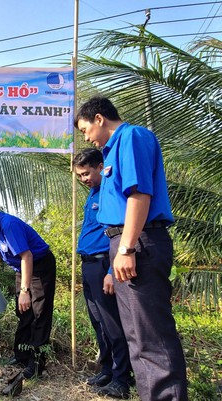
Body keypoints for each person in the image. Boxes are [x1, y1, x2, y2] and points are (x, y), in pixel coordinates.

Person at [75, 96, 188, 401]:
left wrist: (125, 249)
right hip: (124, 241)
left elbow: (139, 195)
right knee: (137, 335)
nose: (86, 137)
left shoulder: (132, 137)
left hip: (138, 242)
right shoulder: (111, 152)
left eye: (86, 130)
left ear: (99, 119)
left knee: (151, 335)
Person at [0, 198, 56, 380]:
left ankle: (36, 365)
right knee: (23, 313)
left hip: (39, 266)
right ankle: (22, 357)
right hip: (21, 269)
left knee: (39, 314)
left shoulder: (9, 225)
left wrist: (25, 291)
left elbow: (27, 256)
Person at [74, 148, 133, 398]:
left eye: (87, 173)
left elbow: (119, 231)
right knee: (98, 322)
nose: (84, 179)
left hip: (102, 264)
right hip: (88, 265)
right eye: (80, 176)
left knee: (113, 323)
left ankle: (122, 378)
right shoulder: (93, 195)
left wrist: (111, 270)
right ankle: (107, 369)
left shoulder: (110, 192)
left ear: (101, 167)